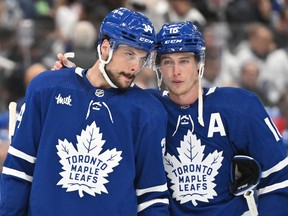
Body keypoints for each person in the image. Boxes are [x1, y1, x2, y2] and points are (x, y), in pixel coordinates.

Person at [55, 21, 288, 215]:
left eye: (184, 61)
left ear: (199, 63)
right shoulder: (144, 107)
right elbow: (98, 98)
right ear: (158, 68)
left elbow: (280, 177)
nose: (176, 72)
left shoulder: (239, 106)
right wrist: (73, 80)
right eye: (168, 62)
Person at [0, 7, 170, 216]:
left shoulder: (148, 112)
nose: (135, 66)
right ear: (106, 47)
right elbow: (18, 171)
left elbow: (152, 198)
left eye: (142, 58)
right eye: (129, 54)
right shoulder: (47, 88)